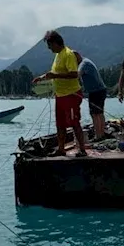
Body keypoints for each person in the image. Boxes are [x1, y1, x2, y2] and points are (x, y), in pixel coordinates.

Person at [33, 30, 88, 158]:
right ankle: (61, 149)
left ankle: (82, 150)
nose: (49, 48)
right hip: (60, 95)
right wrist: (42, 77)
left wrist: (55, 75)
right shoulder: (58, 55)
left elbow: (74, 74)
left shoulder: (68, 54)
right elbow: (53, 73)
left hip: (71, 95)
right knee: (60, 124)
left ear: (57, 43)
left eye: (50, 45)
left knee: (74, 123)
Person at [76, 54, 108, 141]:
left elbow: (78, 74)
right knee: (100, 113)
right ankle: (102, 134)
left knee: (95, 114)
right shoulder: (86, 61)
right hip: (100, 90)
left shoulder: (83, 64)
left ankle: (98, 136)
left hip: (96, 91)